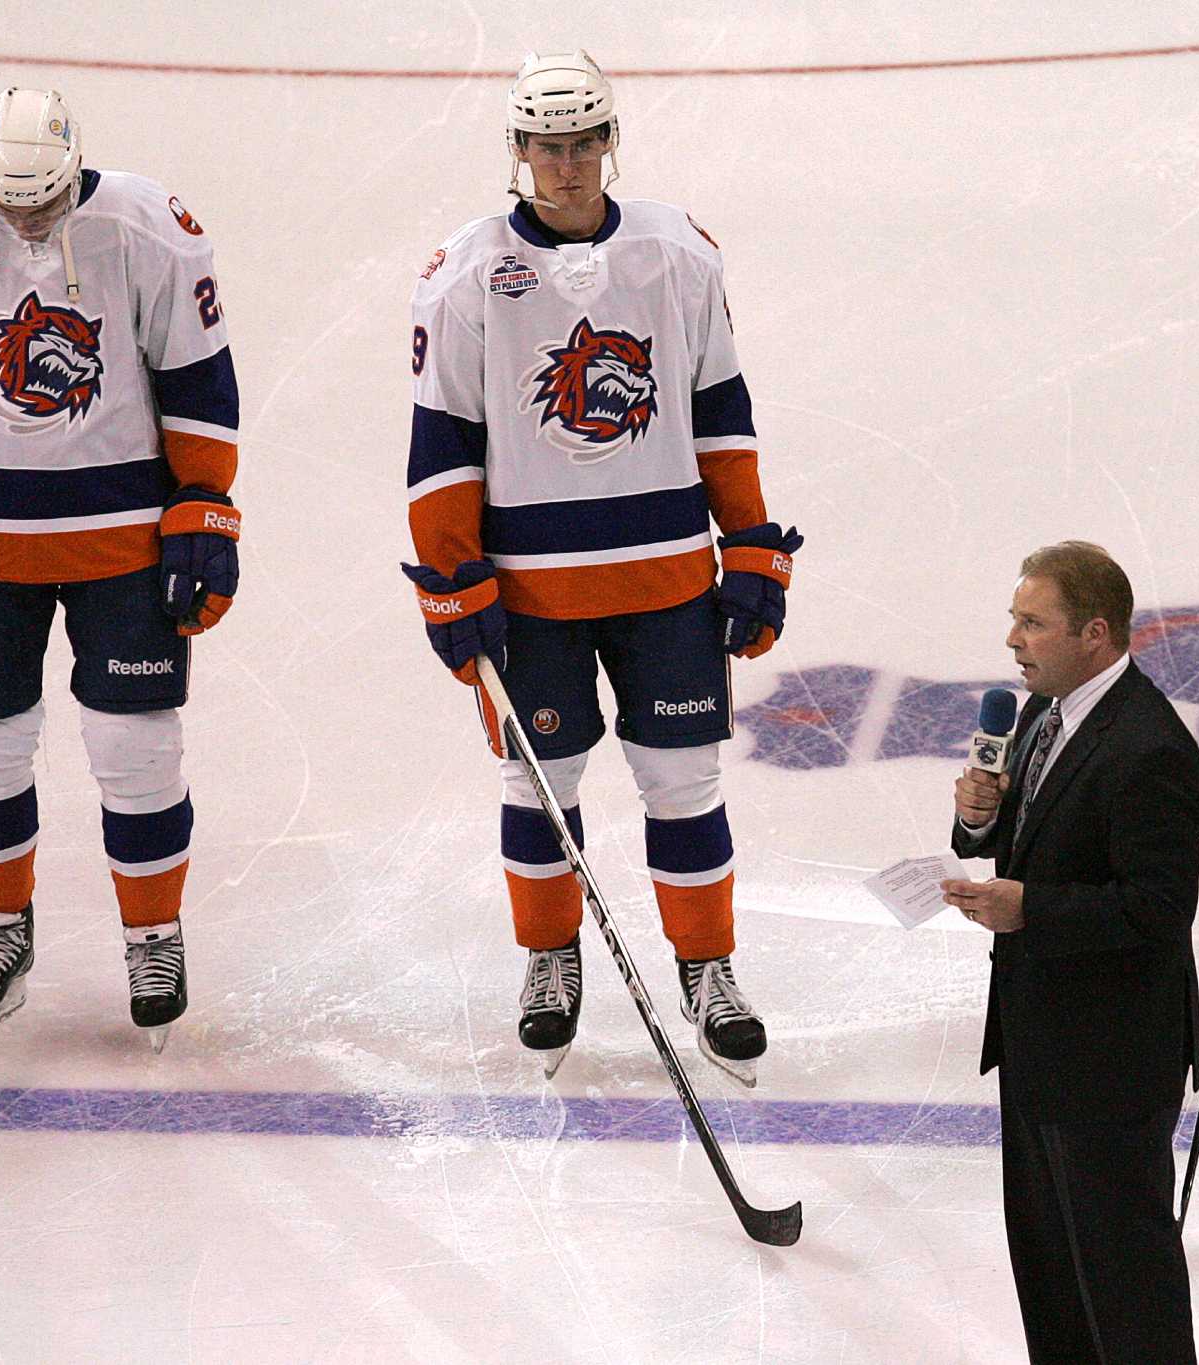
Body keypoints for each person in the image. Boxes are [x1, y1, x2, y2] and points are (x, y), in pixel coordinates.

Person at [402, 51, 800, 1085]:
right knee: (539, 784)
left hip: (665, 579)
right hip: (528, 590)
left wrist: (749, 545)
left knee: (684, 780)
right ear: (517, 151)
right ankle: (548, 958)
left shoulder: (675, 253)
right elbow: (441, 434)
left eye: (583, 145)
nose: (567, 167)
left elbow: (720, 407)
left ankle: (707, 968)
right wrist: (453, 576)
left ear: (608, 143)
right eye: (547, 147)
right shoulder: (465, 272)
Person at [0, 87, 242, 1047]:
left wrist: (206, 507)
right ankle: (0, 926)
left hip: (122, 539)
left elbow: (198, 375)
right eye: (8, 202)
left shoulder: (151, 225)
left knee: (136, 747)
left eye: (41, 202)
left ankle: (154, 933)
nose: (24, 217)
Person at [943, 542, 1199, 1364]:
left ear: (1095, 633)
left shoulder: (1149, 748)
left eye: (1033, 623)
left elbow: (1159, 908)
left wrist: (1031, 909)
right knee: (1051, 1272)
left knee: (1125, 1282)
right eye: (1014, 620)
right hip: (1036, 1041)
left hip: (1112, 1058)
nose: (1014, 641)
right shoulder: (1039, 714)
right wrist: (981, 820)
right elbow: (1027, 842)